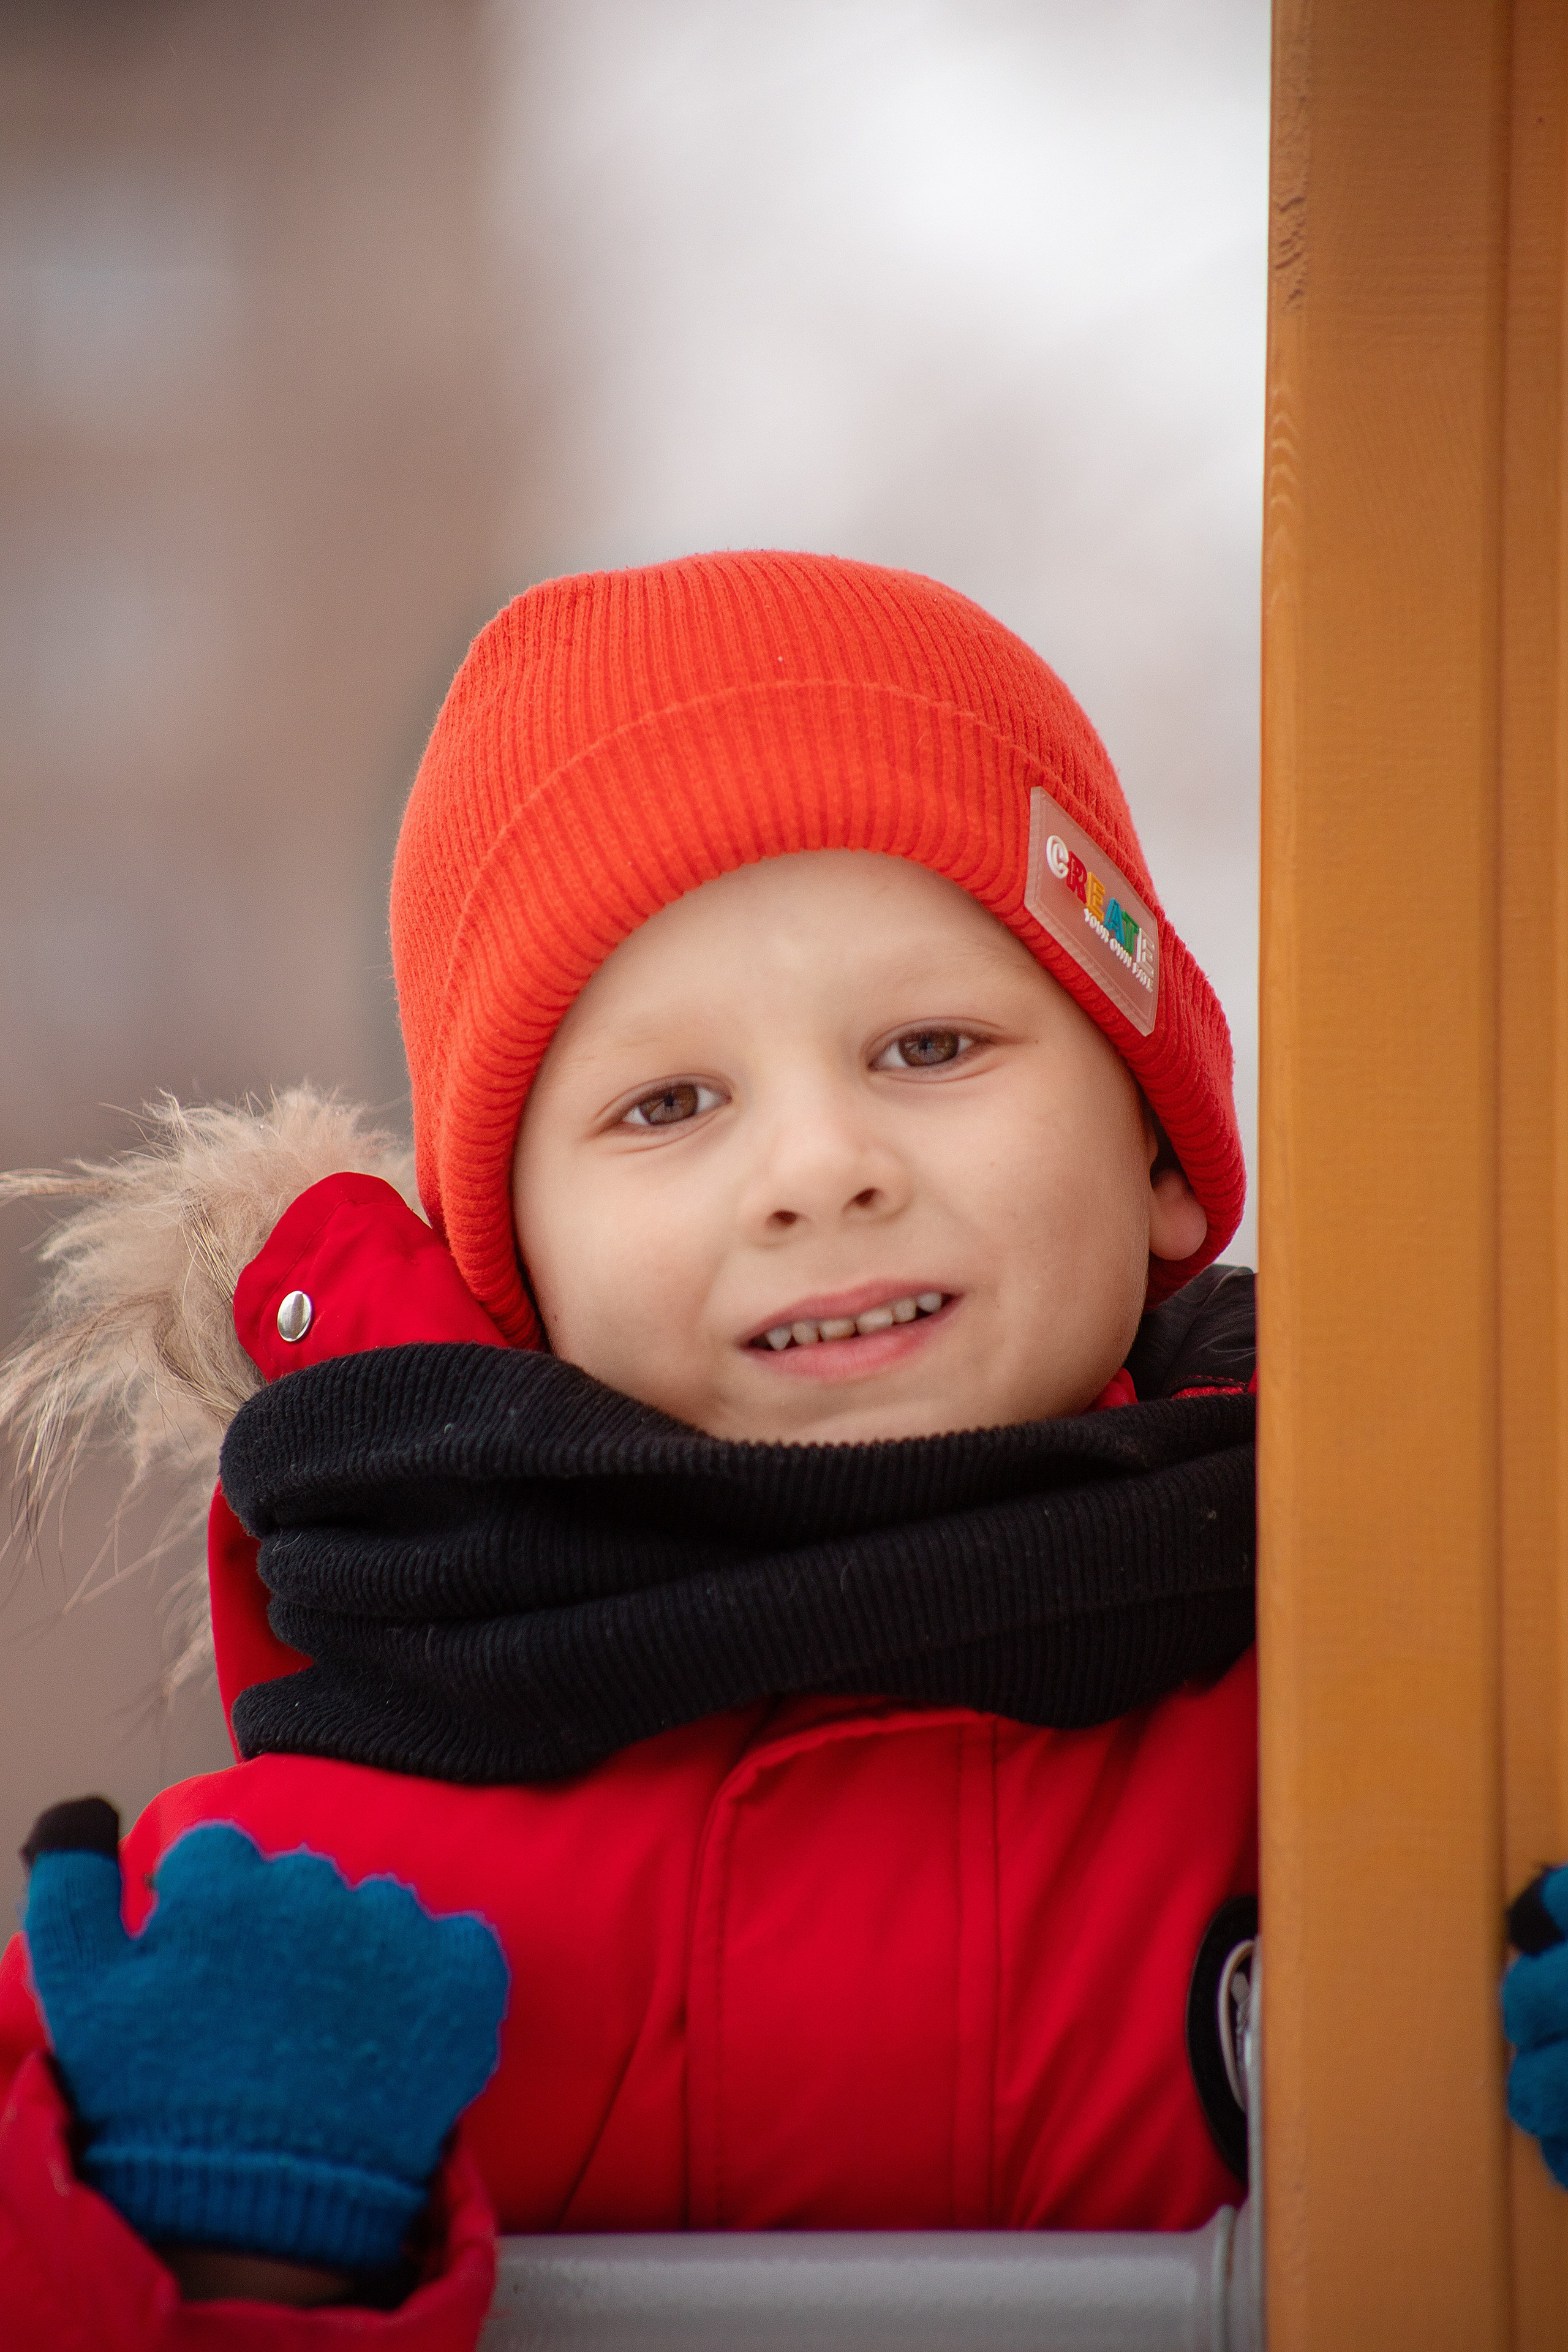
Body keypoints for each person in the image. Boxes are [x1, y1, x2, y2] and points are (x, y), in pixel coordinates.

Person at [0, 551, 1264, 2345]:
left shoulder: (1400, 1717)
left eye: (931, 1043)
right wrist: (217, 2252)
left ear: (1156, 1147)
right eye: (668, 1103)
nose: (820, 1165)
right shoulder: (310, 1893)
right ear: (515, 1269)